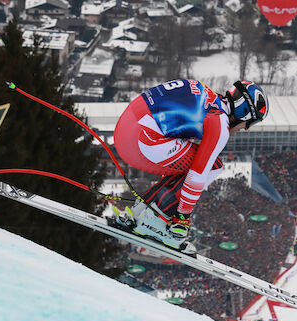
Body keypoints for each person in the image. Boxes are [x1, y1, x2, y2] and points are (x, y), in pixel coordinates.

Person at [113, 79, 268, 253]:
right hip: (142, 140)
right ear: (244, 112)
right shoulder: (219, 122)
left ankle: (138, 212)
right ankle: (158, 220)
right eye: (250, 122)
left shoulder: (208, 97)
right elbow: (198, 174)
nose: (246, 128)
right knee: (213, 167)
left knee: (188, 162)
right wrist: (182, 218)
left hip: (126, 128)